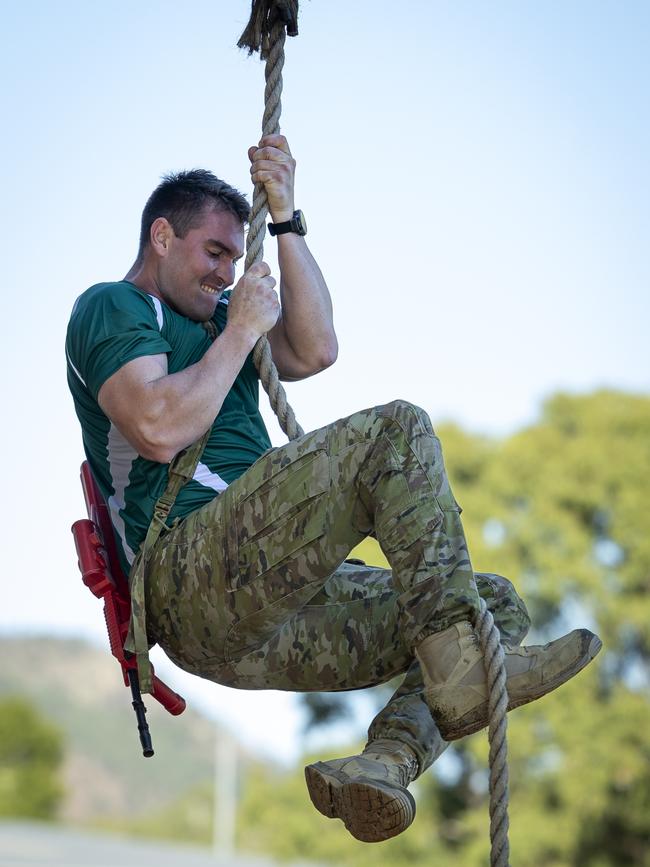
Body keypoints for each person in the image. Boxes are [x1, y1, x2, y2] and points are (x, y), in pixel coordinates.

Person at [66, 135, 601, 844]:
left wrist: (284, 217)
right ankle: (456, 672)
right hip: (189, 574)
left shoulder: (227, 323)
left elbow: (316, 348)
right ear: (162, 237)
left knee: (491, 607)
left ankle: (384, 763)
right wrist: (242, 330)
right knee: (395, 433)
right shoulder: (114, 308)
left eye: (234, 257)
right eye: (214, 254)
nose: (226, 276)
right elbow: (158, 426)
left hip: (260, 607)